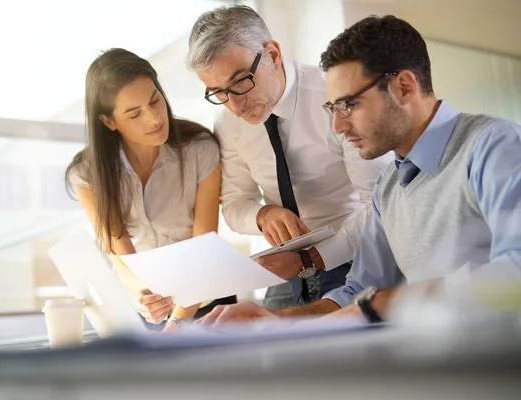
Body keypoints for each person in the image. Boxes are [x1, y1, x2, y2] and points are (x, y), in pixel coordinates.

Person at [198, 15, 521, 325]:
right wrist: (273, 322)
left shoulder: (494, 146)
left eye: (348, 105)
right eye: (332, 108)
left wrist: (384, 303)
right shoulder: (390, 187)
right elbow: (354, 294)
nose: (337, 126)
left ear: (404, 87)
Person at [186, 5, 392, 310]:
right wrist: (263, 215)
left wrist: (308, 259)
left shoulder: (333, 95)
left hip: (355, 255)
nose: (235, 105)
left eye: (240, 81)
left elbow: (381, 207)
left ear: (272, 54)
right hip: (287, 269)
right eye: (218, 92)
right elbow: (234, 204)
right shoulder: (227, 120)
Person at [65, 48, 236, 332]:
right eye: (134, 114)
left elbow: (204, 249)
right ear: (109, 122)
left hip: (207, 303)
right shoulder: (86, 174)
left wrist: (178, 320)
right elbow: (119, 254)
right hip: (148, 308)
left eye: (155, 100)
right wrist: (141, 296)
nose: (155, 119)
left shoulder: (200, 150)